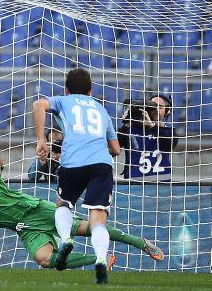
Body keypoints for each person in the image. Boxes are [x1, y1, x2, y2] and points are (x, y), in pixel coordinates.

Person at [0, 131, 163, 272]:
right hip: (24, 228)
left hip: (35, 211)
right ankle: (99, 260)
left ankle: (141, 243)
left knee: (91, 228)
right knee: (46, 260)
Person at [33, 68, 121, 284]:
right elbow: (116, 149)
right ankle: (100, 259)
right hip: (101, 164)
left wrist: (41, 141)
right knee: (98, 218)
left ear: (66, 88)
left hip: (72, 162)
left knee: (63, 204)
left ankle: (65, 240)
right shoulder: (101, 109)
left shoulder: (63, 101)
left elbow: (38, 105)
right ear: (91, 90)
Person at [118, 94, 179, 181]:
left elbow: (171, 143)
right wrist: (125, 125)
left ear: (167, 111)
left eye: (160, 107)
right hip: (134, 186)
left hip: (161, 186)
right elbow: (115, 148)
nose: (156, 110)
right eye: (153, 106)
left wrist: (152, 126)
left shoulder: (168, 131)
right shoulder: (131, 129)